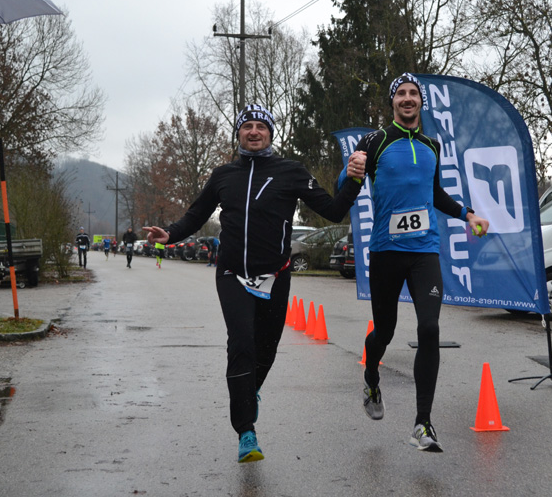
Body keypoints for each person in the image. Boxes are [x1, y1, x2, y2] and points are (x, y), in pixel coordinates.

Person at [143, 104, 364, 464]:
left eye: (261, 126)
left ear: (271, 133)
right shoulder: (223, 175)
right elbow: (196, 214)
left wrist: (353, 179)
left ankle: (249, 392)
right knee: (241, 343)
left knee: (267, 348)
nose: (254, 131)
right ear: (239, 133)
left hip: (275, 275)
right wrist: (170, 234)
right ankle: (246, 430)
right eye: (247, 126)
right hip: (232, 273)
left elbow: (334, 210)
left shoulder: (291, 171)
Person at [346, 73, 489, 453]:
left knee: (429, 327)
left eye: (413, 94)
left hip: (424, 251)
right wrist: (351, 168)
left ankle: (422, 423)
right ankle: (371, 375)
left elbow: (435, 192)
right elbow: (350, 184)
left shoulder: (431, 145)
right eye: (401, 94)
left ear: (421, 103)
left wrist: (468, 214)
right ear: (392, 102)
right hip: (386, 252)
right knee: (385, 332)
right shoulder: (375, 142)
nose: (407, 99)